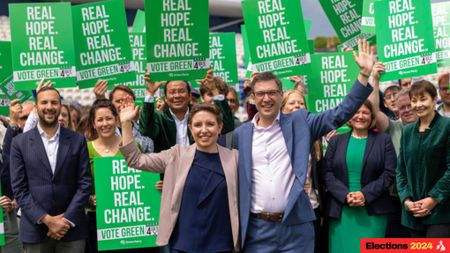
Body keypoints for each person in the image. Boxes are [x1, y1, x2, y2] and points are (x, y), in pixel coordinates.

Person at [232, 40, 374, 252]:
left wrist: (363, 75)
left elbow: (340, 114)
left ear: (281, 95)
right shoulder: (240, 135)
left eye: (272, 92)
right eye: (260, 94)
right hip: (256, 230)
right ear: (252, 98)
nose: (266, 98)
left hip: (296, 226)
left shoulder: (301, 122)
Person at [119, 103, 239, 253]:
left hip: (222, 244)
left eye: (210, 124)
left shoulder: (234, 158)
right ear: (190, 128)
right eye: (197, 125)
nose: (204, 130)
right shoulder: (176, 155)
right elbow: (135, 160)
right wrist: (125, 124)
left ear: (219, 127)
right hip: (183, 244)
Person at [10, 86, 92, 253]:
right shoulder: (19, 142)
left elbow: (84, 184)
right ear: (37, 106)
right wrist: (47, 220)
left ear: (60, 106)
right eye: (44, 102)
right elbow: (19, 189)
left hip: (72, 230)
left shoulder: (77, 140)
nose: (49, 107)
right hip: (35, 230)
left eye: (54, 102)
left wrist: (67, 219)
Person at [323, 100, 397, 253]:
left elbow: (389, 173)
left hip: (373, 211)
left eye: (365, 112)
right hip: (341, 212)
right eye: (356, 112)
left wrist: (365, 194)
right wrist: (344, 195)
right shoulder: (336, 141)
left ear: (371, 117)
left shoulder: (383, 140)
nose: (360, 116)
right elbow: (326, 173)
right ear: (349, 116)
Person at [396, 80, 450, 237]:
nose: (418, 104)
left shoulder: (446, 127)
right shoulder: (407, 132)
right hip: (413, 214)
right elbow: (401, 170)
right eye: (414, 100)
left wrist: (433, 199)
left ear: (434, 100)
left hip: (441, 212)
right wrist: (406, 201)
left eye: (423, 99)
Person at [280, 89, 324, 253]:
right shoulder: (274, 136)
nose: (297, 106)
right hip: (286, 211)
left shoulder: (314, 138)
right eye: (292, 103)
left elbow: (319, 176)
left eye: (301, 103)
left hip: (311, 208)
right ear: (282, 108)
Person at [84, 99, 122, 253]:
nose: (105, 123)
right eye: (100, 119)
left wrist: (153, 187)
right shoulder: (85, 149)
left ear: (117, 120)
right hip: (97, 219)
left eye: (109, 118)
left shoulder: (132, 146)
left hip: (127, 220)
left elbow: (142, 178)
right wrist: (89, 199)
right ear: (93, 124)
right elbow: (78, 183)